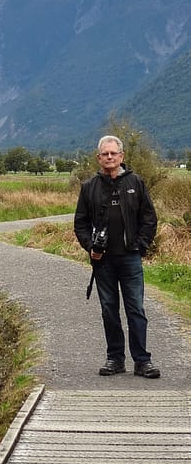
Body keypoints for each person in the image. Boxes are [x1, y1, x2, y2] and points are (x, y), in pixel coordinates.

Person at [74, 135, 160, 378]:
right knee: (109, 310)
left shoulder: (136, 182)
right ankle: (115, 359)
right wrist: (91, 246)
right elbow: (80, 223)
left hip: (130, 258)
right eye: (105, 154)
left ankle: (143, 361)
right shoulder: (89, 187)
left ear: (122, 156)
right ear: (98, 157)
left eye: (113, 153)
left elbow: (149, 218)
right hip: (103, 262)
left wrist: (141, 246)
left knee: (136, 309)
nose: (109, 157)